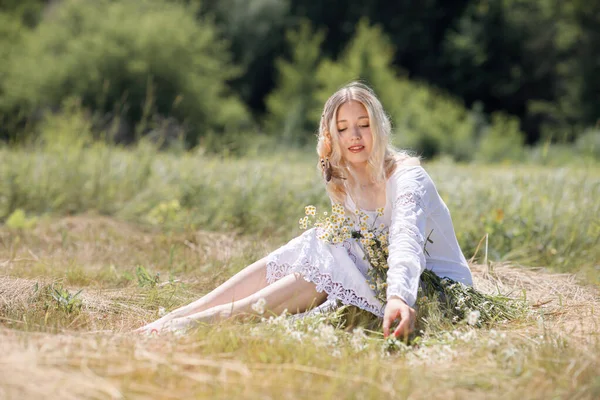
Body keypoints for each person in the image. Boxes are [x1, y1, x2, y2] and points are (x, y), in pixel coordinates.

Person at [136, 82, 473, 339]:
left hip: (432, 290)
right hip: (377, 278)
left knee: (329, 255)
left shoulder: (407, 177)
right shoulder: (346, 179)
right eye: (342, 128)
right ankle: (182, 315)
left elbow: (405, 241)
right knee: (321, 242)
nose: (354, 136)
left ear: (380, 126)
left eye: (363, 124)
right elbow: (355, 243)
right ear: (333, 135)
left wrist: (399, 296)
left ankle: (195, 325)